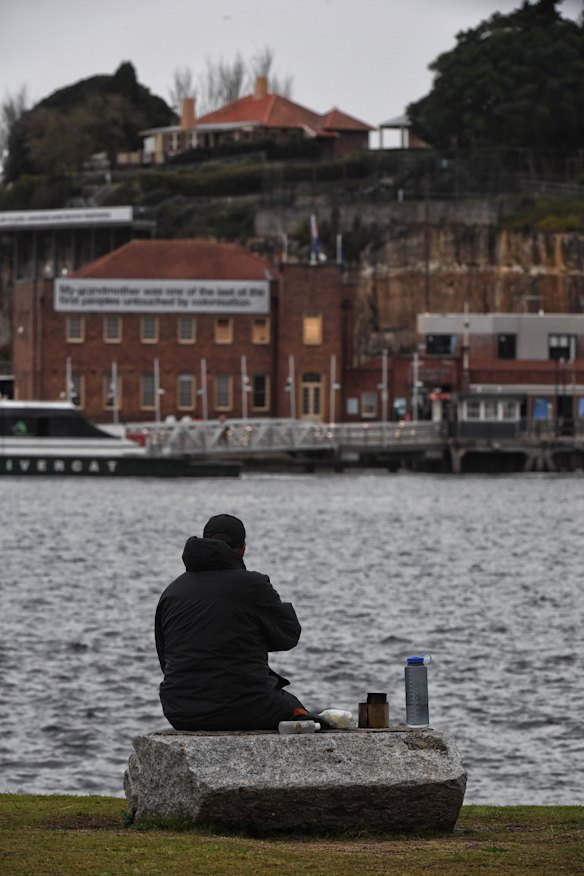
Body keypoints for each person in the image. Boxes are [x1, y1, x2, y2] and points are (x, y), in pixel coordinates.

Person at [155, 513, 306, 731]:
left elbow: (165, 657)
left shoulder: (172, 592)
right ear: (243, 549)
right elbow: (288, 636)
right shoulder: (252, 585)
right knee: (302, 717)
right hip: (246, 706)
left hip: (180, 710)